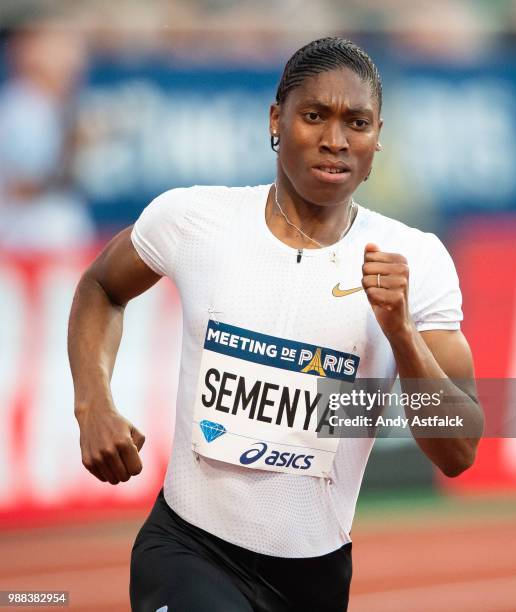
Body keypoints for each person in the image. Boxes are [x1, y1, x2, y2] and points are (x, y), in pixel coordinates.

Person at [68, 36, 484, 612]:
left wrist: (401, 333)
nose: (336, 140)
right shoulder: (194, 220)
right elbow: (100, 286)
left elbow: (458, 450)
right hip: (188, 551)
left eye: (356, 123)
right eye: (315, 115)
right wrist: (93, 402)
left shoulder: (418, 259)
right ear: (276, 120)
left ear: (378, 136)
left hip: (314, 579)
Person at [0, 18, 95, 250]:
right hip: (29, 236)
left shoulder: (47, 104)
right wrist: (72, 147)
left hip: (39, 233)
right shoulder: (26, 106)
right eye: (63, 50)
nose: (74, 62)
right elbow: (23, 186)